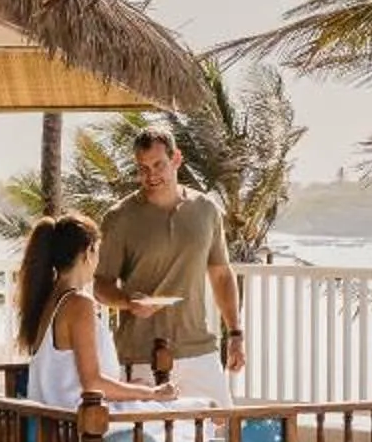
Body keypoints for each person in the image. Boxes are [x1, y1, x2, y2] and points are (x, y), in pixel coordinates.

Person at [94, 127, 247, 404]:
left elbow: (222, 274)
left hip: (199, 349)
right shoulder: (119, 218)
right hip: (140, 355)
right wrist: (128, 302)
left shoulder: (206, 210)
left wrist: (235, 333)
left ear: (176, 159)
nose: (151, 175)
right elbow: (100, 285)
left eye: (158, 165)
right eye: (143, 168)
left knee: (222, 436)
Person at [17, 213, 180, 408]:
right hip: (87, 425)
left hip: (59, 424)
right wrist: (151, 393)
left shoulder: (47, 301)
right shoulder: (78, 303)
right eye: (98, 252)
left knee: (199, 409)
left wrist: (129, 390)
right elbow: (92, 384)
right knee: (208, 408)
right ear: (88, 252)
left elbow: (70, 380)